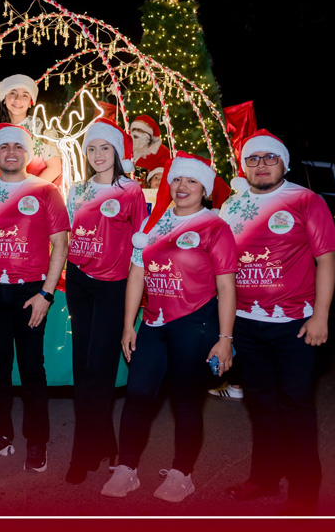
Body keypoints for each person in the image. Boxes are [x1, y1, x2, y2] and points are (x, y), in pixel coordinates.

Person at [101, 152, 237, 502]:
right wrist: (128, 325)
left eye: (191, 181)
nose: (182, 186)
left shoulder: (214, 227)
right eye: (177, 179)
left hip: (195, 323)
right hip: (153, 325)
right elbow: (137, 274)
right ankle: (127, 469)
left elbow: (226, 287)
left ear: (204, 189)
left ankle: (182, 474)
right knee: (137, 395)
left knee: (186, 401)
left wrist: (225, 338)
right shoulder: (156, 222)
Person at [219, 130, 335, 515]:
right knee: (261, 405)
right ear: (244, 166)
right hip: (245, 324)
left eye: (270, 158)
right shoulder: (232, 207)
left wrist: (320, 316)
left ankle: (305, 490)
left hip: (295, 326)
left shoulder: (306, 200)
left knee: (295, 406)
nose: (261, 165)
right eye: (253, 159)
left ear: (284, 163)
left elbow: (327, 260)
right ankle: (264, 478)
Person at [0, 122, 69, 473]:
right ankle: (1, 436)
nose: (11, 152)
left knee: (32, 368)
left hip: (31, 292)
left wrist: (46, 294)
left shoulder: (46, 192)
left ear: (28, 153)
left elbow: (61, 245)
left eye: (18, 146)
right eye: (4, 147)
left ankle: (37, 441)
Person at [63, 118, 147, 484]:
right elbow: (70, 234)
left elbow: (140, 245)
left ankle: (81, 454)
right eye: (92, 149)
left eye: (105, 148)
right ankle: (104, 442)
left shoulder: (131, 191)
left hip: (113, 286)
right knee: (83, 368)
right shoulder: (77, 191)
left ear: (116, 152)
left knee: (99, 369)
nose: (98, 155)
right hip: (79, 283)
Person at [0, 74, 62, 184]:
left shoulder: (41, 128)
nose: (18, 99)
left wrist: (28, 190)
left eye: (25, 95)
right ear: (4, 98)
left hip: (40, 189)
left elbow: (55, 168)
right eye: (13, 93)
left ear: (31, 102)